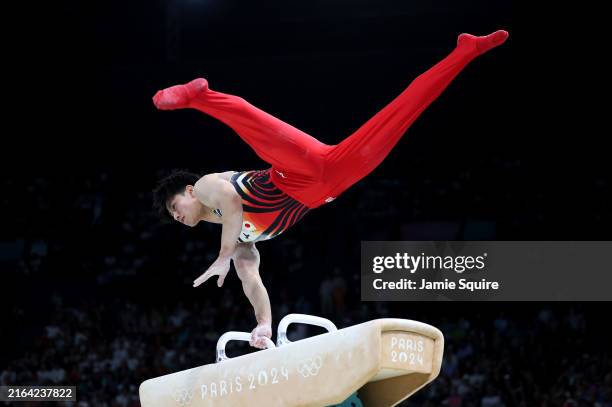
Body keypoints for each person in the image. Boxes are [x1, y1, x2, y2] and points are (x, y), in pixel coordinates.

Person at [152, 30, 509, 347]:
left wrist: (222, 255)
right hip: (331, 183)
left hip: (294, 170)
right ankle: (465, 51)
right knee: (403, 112)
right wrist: (263, 323)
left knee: (256, 126)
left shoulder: (207, 187)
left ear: (188, 190)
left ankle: (199, 97)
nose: (177, 214)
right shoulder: (235, 236)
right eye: (172, 216)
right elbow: (251, 278)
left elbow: (232, 202)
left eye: (174, 205)